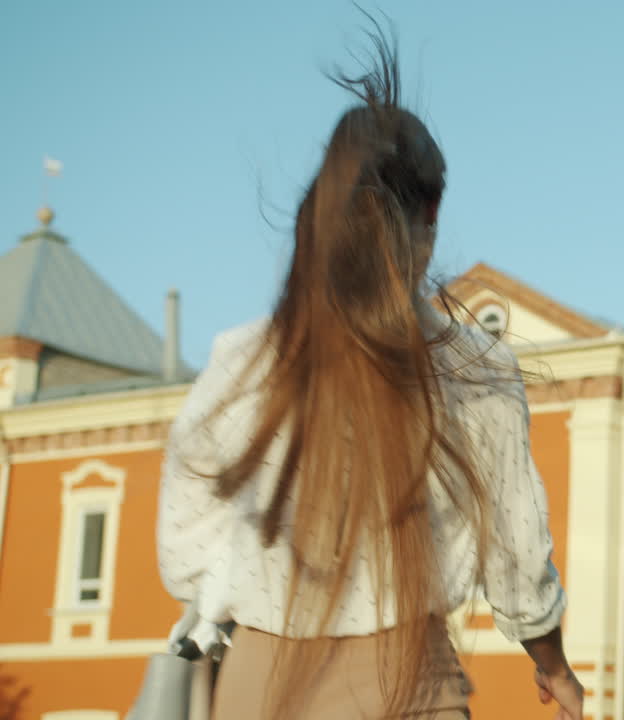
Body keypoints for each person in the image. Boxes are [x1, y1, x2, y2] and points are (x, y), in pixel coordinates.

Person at [156, 24, 583, 720]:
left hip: (257, 680)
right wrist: (555, 670)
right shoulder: (473, 367)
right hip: (405, 677)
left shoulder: (242, 361)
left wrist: (256, 596)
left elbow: (184, 549)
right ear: (432, 211)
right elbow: (518, 559)